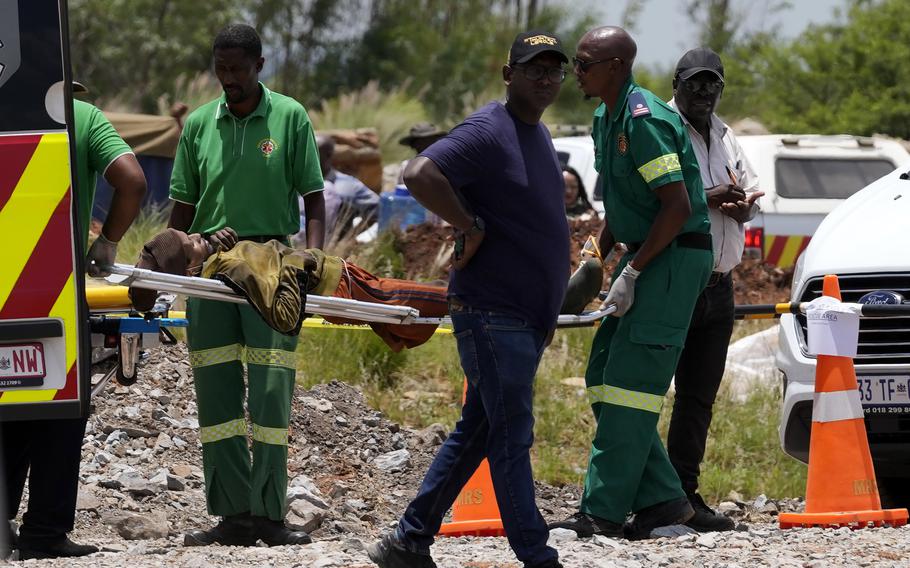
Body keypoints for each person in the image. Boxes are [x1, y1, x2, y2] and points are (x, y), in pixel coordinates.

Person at [367, 30, 570, 568]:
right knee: (511, 437)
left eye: (555, 70)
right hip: (491, 313)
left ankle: (408, 541)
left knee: (479, 430)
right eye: (534, 69)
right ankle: (537, 555)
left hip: (523, 317)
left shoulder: (537, 134)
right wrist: (468, 221)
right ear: (510, 75)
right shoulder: (489, 128)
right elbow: (419, 171)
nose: (546, 79)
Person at [549, 26, 713, 540]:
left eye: (584, 63)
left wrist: (635, 271)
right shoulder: (604, 116)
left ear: (616, 67)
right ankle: (663, 500)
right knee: (602, 373)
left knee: (630, 388)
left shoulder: (644, 119)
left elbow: (677, 206)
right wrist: (599, 252)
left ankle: (602, 511)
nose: (575, 72)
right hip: (644, 253)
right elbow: (623, 200)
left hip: (672, 257)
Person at [166, 23, 325, 547]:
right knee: (215, 391)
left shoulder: (290, 116)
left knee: (271, 391)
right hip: (210, 268)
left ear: (260, 66)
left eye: (238, 69)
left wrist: (311, 260)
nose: (228, 79)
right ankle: (231, 515)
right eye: (221, 69)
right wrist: (176, 256)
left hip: (273, 264)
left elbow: (313, 197)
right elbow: (184, 209)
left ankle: (270, 515)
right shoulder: (196, 125)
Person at [1, 84, 146, 560]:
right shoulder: (81, 116)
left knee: (8, 404)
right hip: (54, 291)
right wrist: (106, 243)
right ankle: (44, 531)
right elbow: (133, 181)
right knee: (58, 408)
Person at [665, 47, 762, 532]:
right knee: (642, 393)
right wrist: (709, 198)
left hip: (720, 285)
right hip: (676, 282)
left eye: (713, 84)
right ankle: (645, 496)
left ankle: (684, 496)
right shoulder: (660, 128)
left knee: (698, 397)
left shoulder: (726, 135)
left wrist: (744, 206)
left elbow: (750, 189)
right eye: (695, 83)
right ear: (676, 82)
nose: (704, 92)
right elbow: (654, 203)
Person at [129, 227, 448, 350]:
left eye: (192, 233)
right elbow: (285, 318)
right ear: (188, 268)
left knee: (430, 301)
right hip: (339, 286)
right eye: (193, 244)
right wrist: (295, 269)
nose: (199, 236)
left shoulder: (220, 259)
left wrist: (226, 241)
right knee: (444, 299)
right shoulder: (230, 269)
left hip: (342, 277)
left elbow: (263, 265)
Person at [300, 134, 378, 244]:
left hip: (326, 249)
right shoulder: (293, 182)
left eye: (313, 152)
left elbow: (379, 210)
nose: (307, 156)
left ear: (328, 155)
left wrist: (351, 238)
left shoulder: (349, 186)